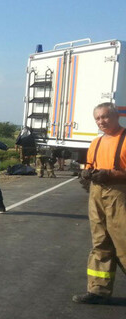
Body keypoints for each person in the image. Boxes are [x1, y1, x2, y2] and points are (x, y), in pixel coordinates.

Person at [73, 102, 126, 304]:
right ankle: (98, 290)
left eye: (105, 117)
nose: (101, 121)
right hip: (96, 193)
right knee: (100, 242)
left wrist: (111, 173)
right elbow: (90, 165)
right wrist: (87, 173)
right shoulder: (95, 142)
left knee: (123, 243)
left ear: (116, 117)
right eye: (97, 118)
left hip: (120, 194)